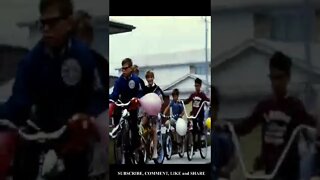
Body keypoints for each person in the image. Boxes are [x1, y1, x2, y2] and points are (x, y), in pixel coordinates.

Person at [0, 0, 105, 179]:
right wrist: (4, 117)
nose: (46, 29)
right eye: (43, 24)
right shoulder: (31, 61)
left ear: (68, 23)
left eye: (53, 22)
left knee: (81, 163)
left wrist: (88, 115)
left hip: (74, 130)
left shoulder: (84, 56)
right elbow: (19, 100)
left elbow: (97, 95)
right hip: (38, 130)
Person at [230, 51, 316, 180]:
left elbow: (312, 127)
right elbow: (245, 126)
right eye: (273, 78)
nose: (276, 83)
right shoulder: (265, 106)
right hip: (269, 171)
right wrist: (225, 127)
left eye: (280, 78)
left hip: (289, 172)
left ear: (288, 77)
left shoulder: (295, 106)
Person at [73, 10, 108, 178]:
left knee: (105, 128)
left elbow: (101, 95)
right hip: (65, 114)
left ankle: (99, 171)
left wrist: (90, 113)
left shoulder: (99, 62)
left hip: (94, 113)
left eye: (85, 34)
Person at [109, 58, 145, 160]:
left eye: (125, 68)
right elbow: (115, 94)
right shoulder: (119, 81)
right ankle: (119, 136)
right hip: (123, 105)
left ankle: (136, 147)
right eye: (122, 68)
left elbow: (140, 92)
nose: (123, 70)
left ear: (130, 68)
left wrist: (137, 98)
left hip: (133, 105)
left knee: (134, 126)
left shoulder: (136, 80)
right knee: (116, 113)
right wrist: (110, 98)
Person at [139, 70, 165, 159]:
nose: (149, 79)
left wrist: (158, 106)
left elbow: (161, 100)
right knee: (141, 126)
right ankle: (142, 145)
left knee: (154, 129)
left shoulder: (157, 89)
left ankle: (155, 151)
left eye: (151, 77)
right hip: (146, 113)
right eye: (148, 77)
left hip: (155, 113)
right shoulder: (145, 89)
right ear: (146, 79)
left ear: (153, 78)